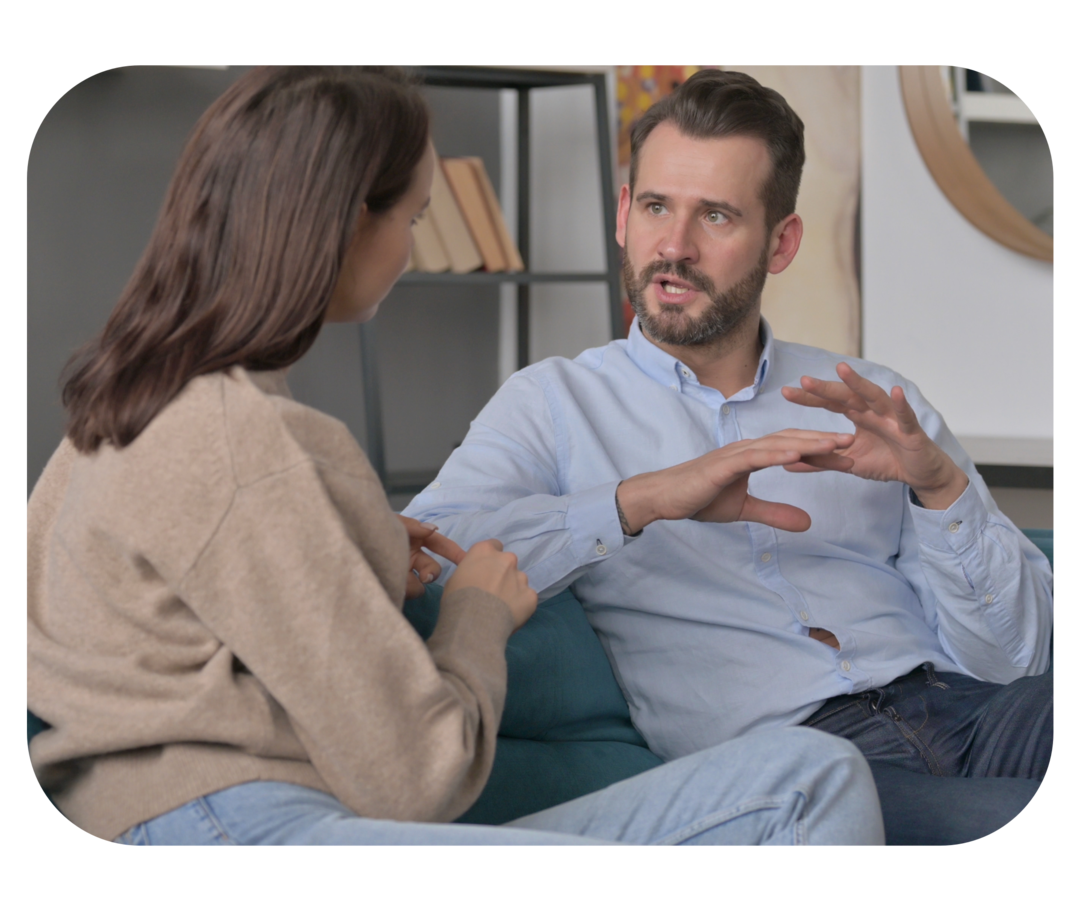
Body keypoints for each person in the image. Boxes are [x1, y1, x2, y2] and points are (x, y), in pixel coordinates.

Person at [26, 64, 885, 848]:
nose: (407, 251)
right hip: (239, 821)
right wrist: (477, 610)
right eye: (415, 218)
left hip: (188, 811)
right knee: (815, 783)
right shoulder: (253, 444)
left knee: (808, 773)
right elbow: (419, 777)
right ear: (349, 221)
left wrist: (351, 542)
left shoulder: (124, 408)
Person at [403, 70, 1053, 843]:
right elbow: (431, 556)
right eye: (655, 207)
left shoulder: (873, 398)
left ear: (781, 242)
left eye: (714, 215)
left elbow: (1018, 656)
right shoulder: (553, 403)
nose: (673, 247)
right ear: (622, 214)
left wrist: (941, 488)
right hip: (805, 766)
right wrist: (638, 501)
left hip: (971, 707)